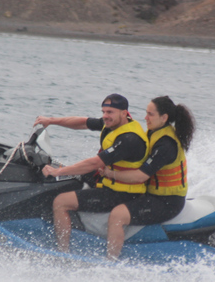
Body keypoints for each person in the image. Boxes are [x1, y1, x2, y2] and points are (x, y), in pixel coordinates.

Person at [35, 93, 149, 253]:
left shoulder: (129, 139)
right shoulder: (114, 123)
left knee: (61, 202)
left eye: (109, 113)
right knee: (68, 178)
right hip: (107, 180)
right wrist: (51, 121)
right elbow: (83, 122)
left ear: (124, 113)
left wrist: (58, 171)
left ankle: (62, 253)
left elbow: (95, 163)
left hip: (123, 193)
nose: (105, 116)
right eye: (103, 112)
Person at [99, 96, 195, 260]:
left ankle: (110, 262)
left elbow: (140, 176)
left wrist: (110, 174)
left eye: (150, 114)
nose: (145, 118)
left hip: (167, 202)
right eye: (146, 113)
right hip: (153, 194)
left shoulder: (166, 144)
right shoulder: (155, 132)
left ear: (163, 118)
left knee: (117, 215)